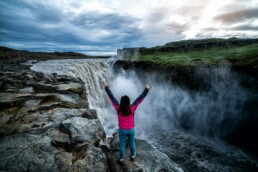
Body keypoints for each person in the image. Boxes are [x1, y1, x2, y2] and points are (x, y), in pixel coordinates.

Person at [104, 83, 150, 165]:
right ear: (129, 102)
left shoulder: (118, 109)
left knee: (122, 144)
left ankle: (121, 159)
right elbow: (139, 99)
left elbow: (112, 98)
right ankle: (133, 156)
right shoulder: (132, 108)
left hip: (122, 130)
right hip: (131, 129)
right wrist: (146, 90)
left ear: (121, 102)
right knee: (132, 142)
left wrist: (107, 88)